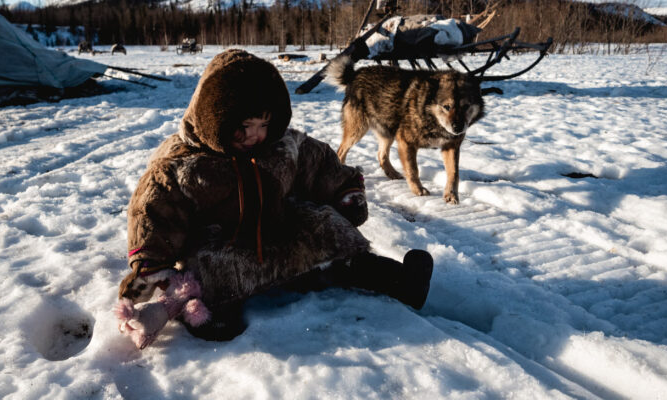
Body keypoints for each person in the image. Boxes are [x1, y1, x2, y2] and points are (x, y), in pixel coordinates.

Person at [118, 49, 433, 341]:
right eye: (245, 125)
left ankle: (393, 279)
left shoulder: (282, 146)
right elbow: (153, 208)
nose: (256, 135)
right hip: (224, 246)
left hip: (278, 233)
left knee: (325, 224)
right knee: (207, 265)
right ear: (216, 117)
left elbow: (321, 163)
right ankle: (207, 316)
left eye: (264, 124)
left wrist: (346, 194)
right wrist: (152, 261)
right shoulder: (182, 163)